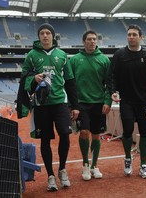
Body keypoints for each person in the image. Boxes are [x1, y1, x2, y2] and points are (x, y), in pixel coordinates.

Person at [21, 23, 79, 191]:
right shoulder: (32, 55)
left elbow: (70, 81)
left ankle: (62, 169)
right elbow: (24, 77)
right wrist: (34, 79)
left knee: (65, 134)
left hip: (60, 102)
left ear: (53, 36)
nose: (45, 36)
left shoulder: (62, 55)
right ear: (38, 37)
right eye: (42, 33)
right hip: (41, 104)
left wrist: (74, 105)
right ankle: (50, 176)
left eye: (48, 33)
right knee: (45, 140)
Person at [108, 24, 146, 179]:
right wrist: (113, 92)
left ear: (141, 37)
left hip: (144, 101)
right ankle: (128, 158)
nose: (131, 37)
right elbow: (112, 75)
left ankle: (143, 164)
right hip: (126, 100)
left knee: (144, 132)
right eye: (129, 34)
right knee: (127, 131)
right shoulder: (119, 55)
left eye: (134, 34)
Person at [69, 30, 112, 181]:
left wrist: (107, 101)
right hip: (81, 104)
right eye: (89, 39)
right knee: (84, 132)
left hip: (99, 103)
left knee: (96, 135)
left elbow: (109, 83)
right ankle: (85, 164)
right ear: (84, 41)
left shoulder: (104, 60)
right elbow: (70, 84)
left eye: (94, 39)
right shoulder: (74, 60)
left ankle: (94, 165)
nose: (92, 41)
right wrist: (72, 105)